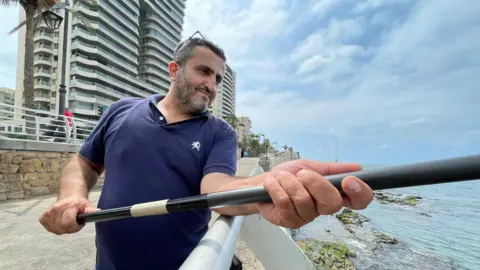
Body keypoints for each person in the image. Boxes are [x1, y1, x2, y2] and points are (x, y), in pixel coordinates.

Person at [39, 37, 374, 269]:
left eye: (217, 77)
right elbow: (84, 161)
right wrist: (71, 195)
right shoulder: (121, 110)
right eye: (204, 71)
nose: (212, 85)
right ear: (174, 70)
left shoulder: (219, 132)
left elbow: (216, 189)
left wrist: (267, 187)